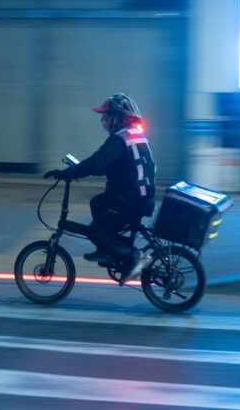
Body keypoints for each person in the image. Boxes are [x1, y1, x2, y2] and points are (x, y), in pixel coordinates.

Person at [44, 93, 156, 279]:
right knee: (97, 203)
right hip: (141, 196)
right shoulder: (134, 136)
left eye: (106, 115)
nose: (102, 119)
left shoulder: (118, 140)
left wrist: (68, 173)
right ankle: (107, 249)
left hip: (131, 200)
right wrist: (80, 169)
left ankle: (134, 255)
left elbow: (96, 161)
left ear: (118, 117)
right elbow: (111, 166)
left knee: (96, 230)